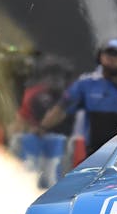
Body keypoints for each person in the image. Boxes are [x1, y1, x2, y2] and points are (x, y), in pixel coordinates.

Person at [41, 37, 117, 156]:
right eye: (108, 53)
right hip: (93, 153)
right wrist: (42, 128)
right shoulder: (86, 83)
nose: (112, 58)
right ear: (99, 57)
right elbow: (61, 108)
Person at [10, 55, 74, 187]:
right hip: (37, 144)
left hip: (65, 142)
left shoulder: (75, 92)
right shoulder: (34, 94)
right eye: (50, 74)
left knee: (58, 179)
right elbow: (21, 120)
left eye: (58, 75)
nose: (54, 79)